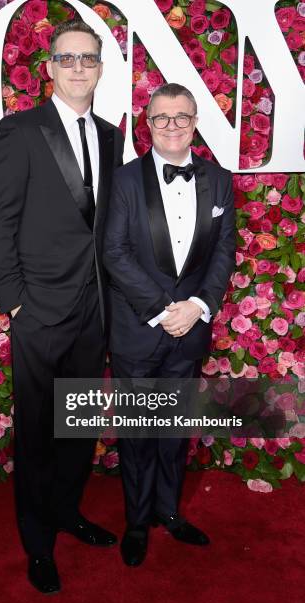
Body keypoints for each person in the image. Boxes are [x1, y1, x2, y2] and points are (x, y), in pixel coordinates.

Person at [0, 20, 124, 594]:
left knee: (78, 424)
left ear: (100, 67)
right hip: (39, 309)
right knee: (38, 431)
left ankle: (67, 511)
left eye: (88, 58)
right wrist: (15, 302)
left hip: (96, 310)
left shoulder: (114, 136)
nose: (79, 68)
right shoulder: (20, 130)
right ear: (49, 68)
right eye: (67, 59)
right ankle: (38, 543)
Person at [103, 83, 235, 567]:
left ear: (195, 122)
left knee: (175, 427)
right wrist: (164, 309)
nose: (173, 125)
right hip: (141, 326)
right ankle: (137, 522)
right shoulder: (123, 181)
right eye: (162, 117)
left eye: (182, 117)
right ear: (148, 125)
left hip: (191, 327)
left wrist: (198, 305)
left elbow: (224, 252)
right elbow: (114, 252)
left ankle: (170, 513)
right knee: (138, 429)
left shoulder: (219, 180)